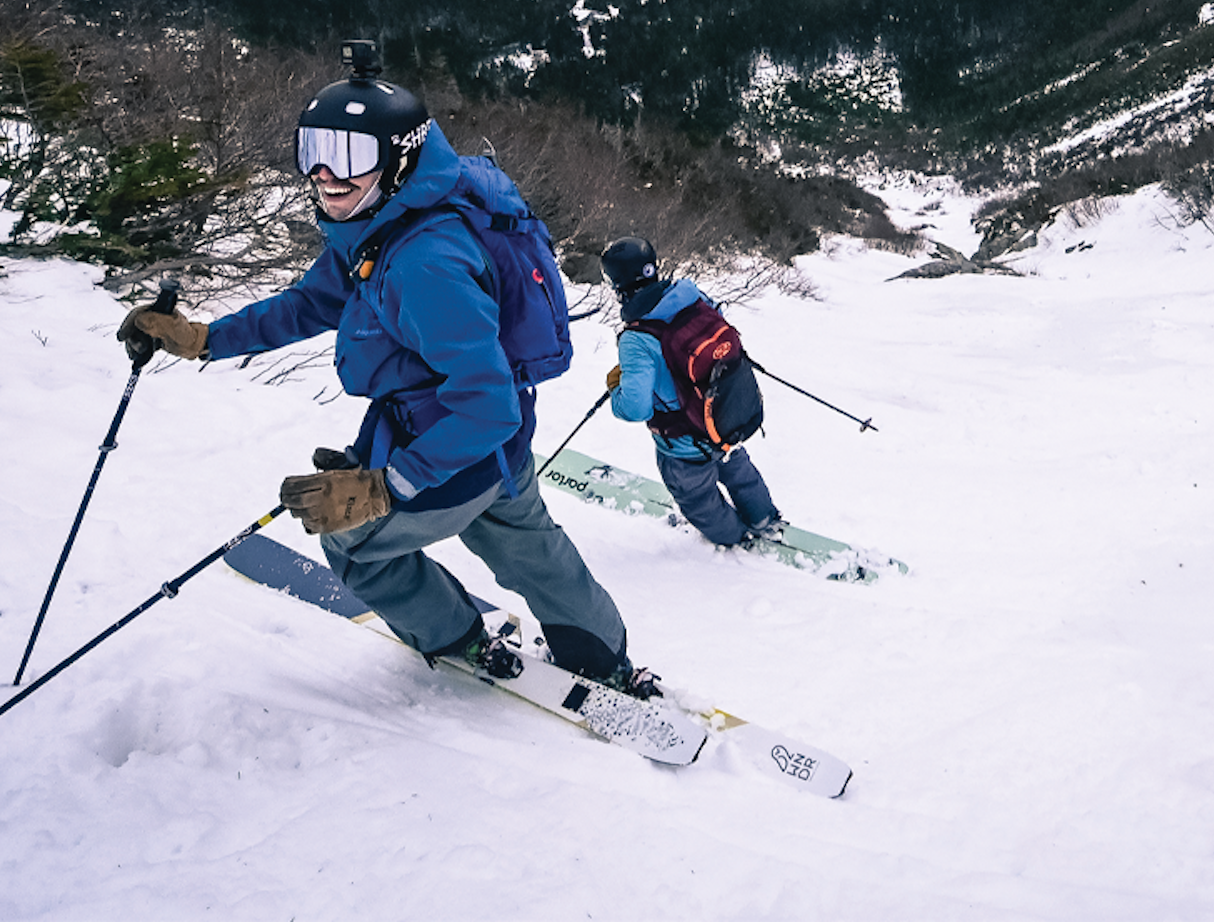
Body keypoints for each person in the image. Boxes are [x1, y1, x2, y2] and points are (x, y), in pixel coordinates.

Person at [119, 47, 656, 696]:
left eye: (348, 157)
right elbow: (313, 300)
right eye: (313, 150)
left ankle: (456, 635)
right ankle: (602, 654)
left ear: (399, 157)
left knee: (345, 536)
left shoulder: (423, 261)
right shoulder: (392, 215)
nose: (324, 174)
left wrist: (388, 484)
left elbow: (484, 405)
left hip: (457, 438)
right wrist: (204, 338)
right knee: (526, 541)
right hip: (494, 443)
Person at [601, 236, 786, 549]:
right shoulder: (691, 295)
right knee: (738, 469)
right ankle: (764, 518)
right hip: (726, 416)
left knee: (699, 499)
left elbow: (636, 408)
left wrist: (617, 388)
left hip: (683, 443)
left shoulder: (637, 338)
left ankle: (734, 538)